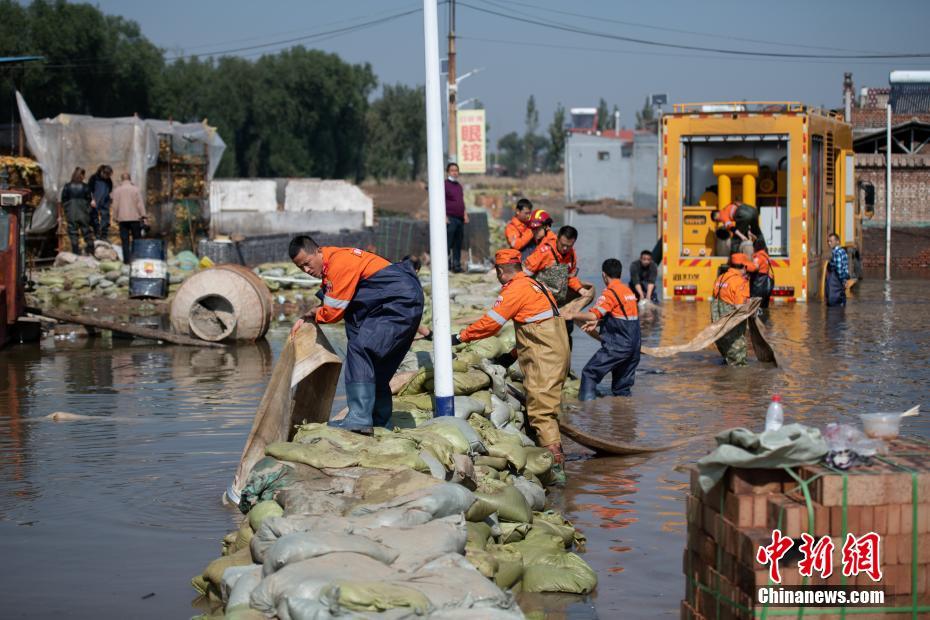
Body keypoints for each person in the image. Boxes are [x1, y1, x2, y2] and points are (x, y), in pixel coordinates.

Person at [454, 249, 570, 484]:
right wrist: (512, 355)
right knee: (547, 406)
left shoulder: (515, 290)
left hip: (544, 358)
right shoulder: (534, 284)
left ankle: (556, 472)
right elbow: (536, 326)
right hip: (556, 351)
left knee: (541, 411)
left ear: (500, 270)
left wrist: (460, 337)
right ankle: (551, 453)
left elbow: (491, 324)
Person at [290, 236, 424, 433]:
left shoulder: (339, 262)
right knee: (376, 368)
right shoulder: (335, 265)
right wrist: (310, 314)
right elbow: (338, 301)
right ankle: (379, 422)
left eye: (307, 264)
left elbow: (332, 313)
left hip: (397, 304)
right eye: (301, 268)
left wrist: (315, 315)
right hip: (399, 303)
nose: (307, 271)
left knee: (360, 349)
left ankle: (359, 418)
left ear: (318, 251)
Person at [565, 259, 641, 399]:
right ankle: (625, 416)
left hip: (618, 346)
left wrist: (571, 314)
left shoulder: (610, 293)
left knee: (589, 373)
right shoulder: (627, 291)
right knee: (622, 388)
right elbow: (622, 316)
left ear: (604, 275)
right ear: (619, 273)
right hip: (634, 346)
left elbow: (593, 315)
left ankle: (588, 412)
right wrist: (600, 323)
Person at [524, 218, 591, 348]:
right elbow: (524, 274)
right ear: (557, 238)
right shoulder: (544, 252)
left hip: (559, 302)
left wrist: (580, 289)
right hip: (540, 302)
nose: (565, 248)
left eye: (569, 246)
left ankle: (565, 363)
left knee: (567, 330)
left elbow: (570, 277)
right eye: (563, 244)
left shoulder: (571, 255)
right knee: (542, 336)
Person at [711, 254, 752, 366]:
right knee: (739, 366)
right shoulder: (740, 282)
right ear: (744, 267)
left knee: (727, 359)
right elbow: (740, 308)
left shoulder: (720, 278)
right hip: (732, 331)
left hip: (719, 329)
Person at [110, 173, 147, 264]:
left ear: (121, 179)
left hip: (122, 219)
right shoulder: (135, 189)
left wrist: (114, 217)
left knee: (125, 241)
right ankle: (137, 259)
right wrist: (144, 216)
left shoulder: (117, 190)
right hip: (135, 218)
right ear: (130, 179)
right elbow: (140, 205)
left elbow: (115, 206)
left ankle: (126, 261)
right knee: (137, 240)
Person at [60, 167, 95, 255]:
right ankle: (91, 251)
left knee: (73, 233)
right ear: (82, 175)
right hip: (83, 212)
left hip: (71, 212)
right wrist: (88, 210)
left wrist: (67, 210)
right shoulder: (85, 186)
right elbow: (89, 200)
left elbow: (63, 199)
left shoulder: (67, 186)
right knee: (86, 231)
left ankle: (75, 252)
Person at [445, 162, 468, 273]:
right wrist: (444, 216)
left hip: (459, 218)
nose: (455, 172)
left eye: (456, 170)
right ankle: (447, 265)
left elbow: (461, 201)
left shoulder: (458, 186)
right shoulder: (444, 184)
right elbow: (441, 201)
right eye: (452, 170)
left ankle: (457, 265)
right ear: (448, 172)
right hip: (450, 217)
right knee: (448, 243)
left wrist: (465, 214)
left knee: (458, 243)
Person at [87, 165, 113, 240]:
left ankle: (104, 235)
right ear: (102, 173)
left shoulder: (108, 180)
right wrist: (92, 200)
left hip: (105, 200)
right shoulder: (94, 178)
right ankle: (97, 234)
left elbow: (110, 190)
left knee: (105, 217)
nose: (107, 177)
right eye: (107, 175)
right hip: (95, 199)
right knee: (94, 218)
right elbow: (89, 190)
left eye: (109, 175)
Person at [747, 238, 775, 309]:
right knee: (764, 308)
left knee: (755, 308)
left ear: (756, 247)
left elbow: (754, 268)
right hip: (766, 286)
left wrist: (745, 267)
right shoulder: (766, 257)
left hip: (758, 286)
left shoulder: (758, 257)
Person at [826, 232, 849, 307]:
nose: (829, 243)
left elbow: (839, 269)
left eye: (831, 241)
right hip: (841, 280)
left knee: (833, 302)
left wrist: (842, 281)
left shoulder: (836, 253)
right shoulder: (843, 251)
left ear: (837, 241)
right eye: (828, 241)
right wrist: (845, 281)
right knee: (840, 300)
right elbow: (845, 268)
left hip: (836, 281)